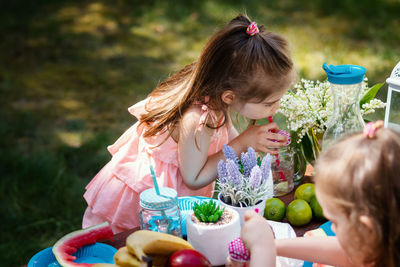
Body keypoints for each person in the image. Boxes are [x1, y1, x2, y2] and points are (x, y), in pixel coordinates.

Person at [82, 14, 295, 233]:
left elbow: (230, 141)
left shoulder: (218, 95)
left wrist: (253, 145)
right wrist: (243, 142)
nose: (275, 109)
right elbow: (194, 178)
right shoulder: (198, 119)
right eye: (270, 103)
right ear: (229, 97)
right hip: (146, 204)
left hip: (168, 196)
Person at [241, 121, 400, 267]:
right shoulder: (376, 248)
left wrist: (262, 250)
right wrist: (274, 246)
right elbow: (342, 251)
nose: (332, 229)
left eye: (336, 223)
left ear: (367, 230)